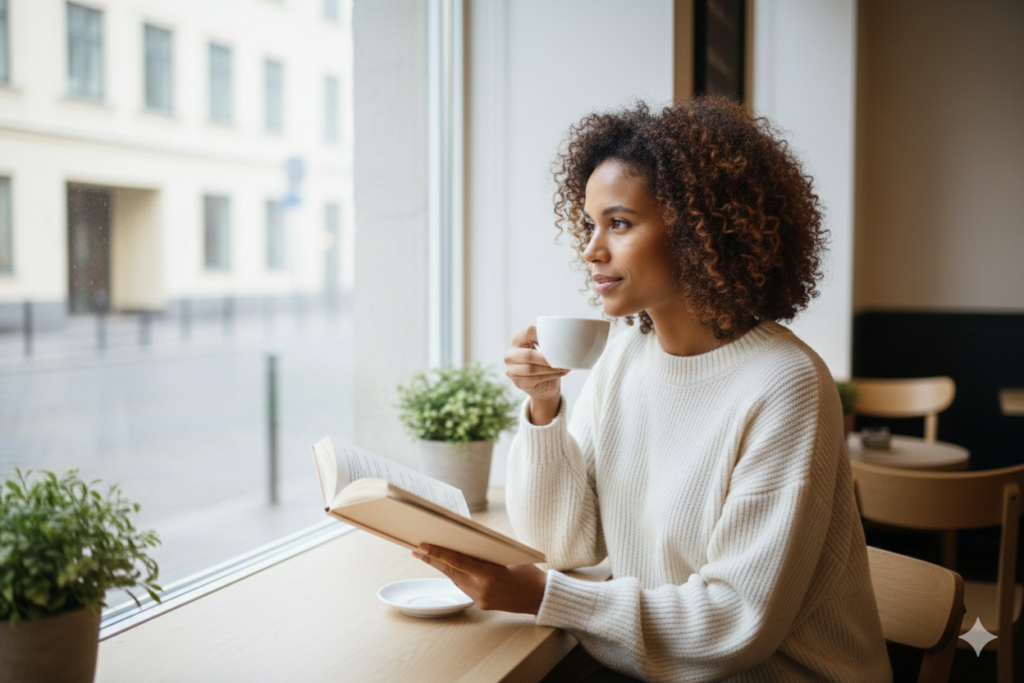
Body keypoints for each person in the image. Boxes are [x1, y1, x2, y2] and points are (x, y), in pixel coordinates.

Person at [412, 97, 892, 682]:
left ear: (699, 229)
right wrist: (543, 408)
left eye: (619, 223)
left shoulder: (784, 384)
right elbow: (565, 544)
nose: (591, 250)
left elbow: (733, 622)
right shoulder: (625, 355)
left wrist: (541, 596)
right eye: (590, 224)